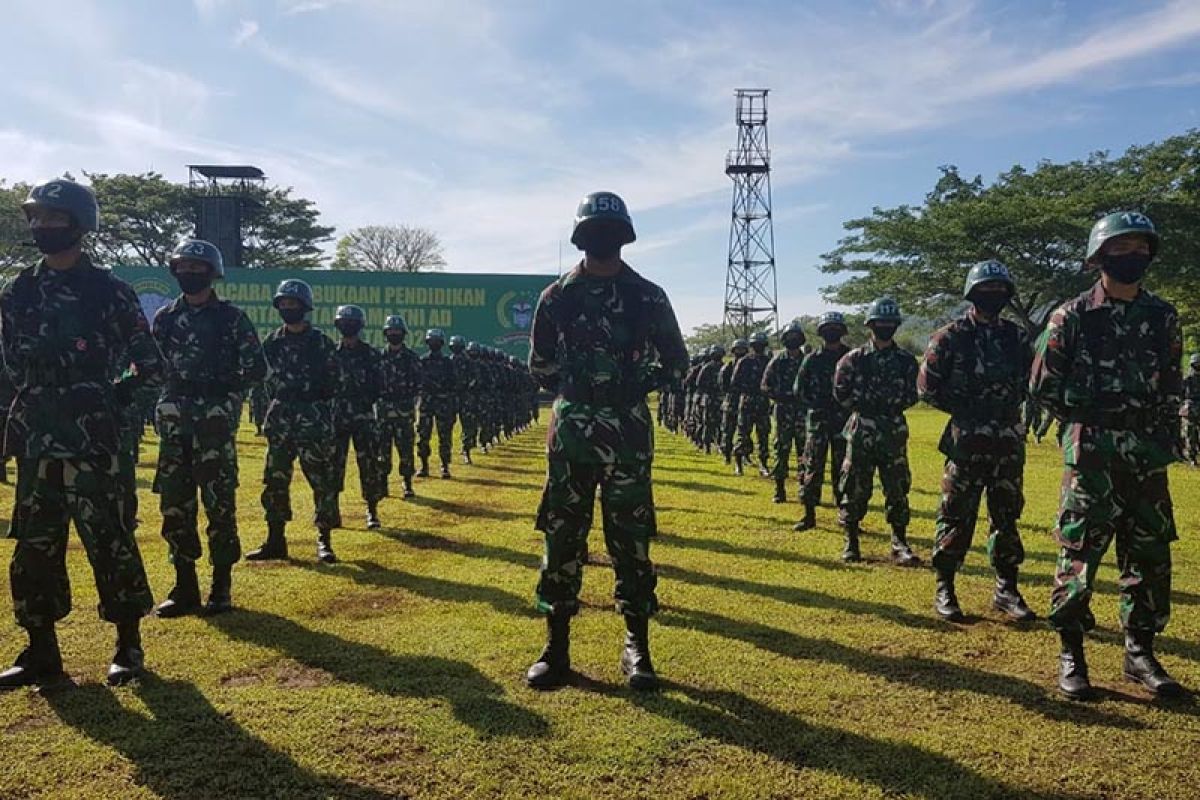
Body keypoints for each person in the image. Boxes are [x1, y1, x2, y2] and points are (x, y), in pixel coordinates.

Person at [0, 178, 160, 688]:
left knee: (109, 538)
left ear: (78, 224)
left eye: (53, 218)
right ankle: (41, 650)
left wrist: (112, 398)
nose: (42, 226)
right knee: (33, 546)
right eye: (36, 218)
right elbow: (6, 366)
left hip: (94, 440)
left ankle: (128, 645)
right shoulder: (18, 290)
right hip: (36, 438)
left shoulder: (109, 291)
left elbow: (149, 365)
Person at [525, 191, 687, 691]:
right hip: (572, 433)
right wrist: (580, 388)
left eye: (609, 231)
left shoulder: (649, 297)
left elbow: (677, 362)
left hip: (628, 436)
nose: (602, 238)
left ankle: (637, 645)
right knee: (563, 536)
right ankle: (556, 647)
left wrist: (634, 384)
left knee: (631, 541)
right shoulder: (557, 296)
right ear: (581, 236)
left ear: (623, 236)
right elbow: (539, 365)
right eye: (594, 230)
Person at [1030, 211, 1184, 699]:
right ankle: (1071, 653)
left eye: (1140, 248)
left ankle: (1139, 653)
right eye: (1121, 249)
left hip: (1145, 454)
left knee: (1150, 555)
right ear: (1099, 257)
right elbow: (1043, 386)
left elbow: (1171, 384)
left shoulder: (1162, 318)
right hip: (1092, 453)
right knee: (1079, 554)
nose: (1132, 256)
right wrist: (1090, 418)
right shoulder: (1071, 317)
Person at [152, 238, 266, 618]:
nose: (190, 273)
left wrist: (225, 393)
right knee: (174, 506)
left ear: (212, 272)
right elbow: (150, 365)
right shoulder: (165, 318)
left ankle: (221, 585)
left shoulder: (231, 319)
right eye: (183, 267)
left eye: (197, 268)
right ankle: (184, 586)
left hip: (214, 428)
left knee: (219, 505)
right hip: (174, 428)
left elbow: (257, 368)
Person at [919, 261, 1035, 623]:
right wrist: (966, 411)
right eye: (986, 290)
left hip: (1008, 443)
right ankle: (946, 587)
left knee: (1007, 516)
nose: (993, 296)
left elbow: (1034, 382)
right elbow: (926, 388)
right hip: (965, 443)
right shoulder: (949, 336)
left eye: (1000, 290)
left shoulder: (1016, 338)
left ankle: (1006, 588)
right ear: (972, 293)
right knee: (955, 515)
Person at [248, 280, 341, 564]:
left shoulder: (321, 343)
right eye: (284, 304)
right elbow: (263, 379)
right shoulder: (272, 343)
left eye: (293, 304)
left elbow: (335, 381)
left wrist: (315, 404)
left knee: (321, 480)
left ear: (305, 307)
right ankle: (275, 540)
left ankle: (324, 540)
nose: (288, 308)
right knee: (275, 480)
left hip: (312, 419)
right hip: (280, 419)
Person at [833, 297, 920, 566]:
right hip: (862, 429)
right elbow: (840, 392)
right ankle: (851, 540)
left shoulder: (906, 361)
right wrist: (865, 409)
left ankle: (899, 542)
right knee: (855, 486)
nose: (885, 327)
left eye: (890, 323)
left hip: (893, 429)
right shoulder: (854, 359)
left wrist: (889, 409)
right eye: (880, 323)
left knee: (897, 486)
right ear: (870, 325)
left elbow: (914, 393)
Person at [793, 312, 850, 531]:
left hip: (843, 423)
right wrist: (816, 405)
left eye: (835, 328)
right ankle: (808, 515)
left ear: (842, 332)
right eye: (828, 329)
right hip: (817, 423)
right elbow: (799, 390)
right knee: (812, 468)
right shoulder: (812, 359)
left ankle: (845, 515)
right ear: (821, 333)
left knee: (843, 470)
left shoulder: (850, 357)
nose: (832, 332)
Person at [331, 304, 385, 530]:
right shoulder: (331, 354)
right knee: (333, 465)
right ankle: (331, 510)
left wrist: (364, 401)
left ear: (360, 326)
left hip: (363, 417)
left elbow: (379, 385)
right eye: (344, 322)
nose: (348, 326)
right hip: (336, 417)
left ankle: (372, 511)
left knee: (369, 464)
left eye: (352, 323)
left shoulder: (371, 354)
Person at [762, 321, 807, 502]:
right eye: (789, 337)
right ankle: (779, 489)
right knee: (781, 449)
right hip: (782, 411)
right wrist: (779, 396)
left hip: (803, 411)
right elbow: (765, 385)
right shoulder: (777, 361)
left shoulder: (807, 361)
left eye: (796, 337)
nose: (793, 340)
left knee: (805, 451)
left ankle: (805, 488)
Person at [377, 315, 422, 499]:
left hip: (404, 410)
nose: (394, 334)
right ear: (385, 334)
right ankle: (383, 483)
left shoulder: (411, 358)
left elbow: (419, 384)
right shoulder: (378, 357)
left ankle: (407, 483)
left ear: (403, 334)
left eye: (397, 331)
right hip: (383, 410)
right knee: (382, 449)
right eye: (391, 331)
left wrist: (413, 406)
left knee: (406, 448)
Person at [416, 328, 456, 479]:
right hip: (427, 403)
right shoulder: (423, 361)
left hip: (443, 403)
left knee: (444, 436)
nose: (434, 343)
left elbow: (453, 383)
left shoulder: (447, 363)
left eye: (436, 341)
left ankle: (445, 466)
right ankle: (424, 465)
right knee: (423, 435)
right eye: (431, 341)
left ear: (441, 343)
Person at [732, 331, 772, 476]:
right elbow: (734, 383)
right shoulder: (744, 361)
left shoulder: (768, 361)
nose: (759, 347)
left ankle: (763, 464)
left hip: (762, 403)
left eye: (761, 345)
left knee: (763, 435)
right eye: (756, 345)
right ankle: (738, 463)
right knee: (743, 434)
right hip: (747, 402)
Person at [720, 340, 748, 464]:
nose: (740, 352)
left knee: (744, 432)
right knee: (728, 431)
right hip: (731, 402)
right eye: (738, 350)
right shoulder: (728, 367)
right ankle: (727, 455)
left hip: (745, 402)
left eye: (742, 349)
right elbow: (722, 384)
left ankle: (744, 455)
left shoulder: (748, 365)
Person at [1180, 354, 1200, 466]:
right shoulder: (1187, 379)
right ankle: (1192, 457)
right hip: (1190, 409)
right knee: (1190, 435)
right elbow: (1181, 394)